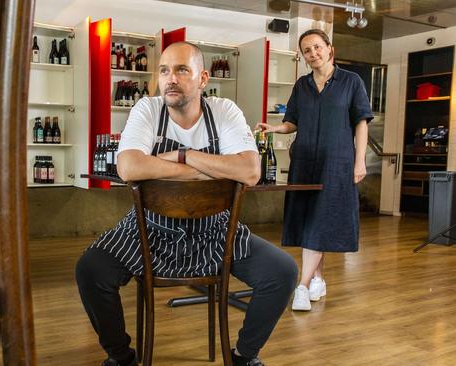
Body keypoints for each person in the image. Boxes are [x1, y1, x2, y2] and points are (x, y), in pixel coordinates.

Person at [76, 42, 298, 366]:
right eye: (164, 70)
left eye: (182, 70)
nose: (171, 79)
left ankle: (244, 356)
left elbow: (250, 171)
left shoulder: (224, 111)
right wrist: (210, 168)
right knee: (90, 270)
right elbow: (128, 167)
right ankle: (121, 356)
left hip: (216, 232)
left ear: (203, 78)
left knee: (283, 272)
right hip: (148, 230)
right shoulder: (147, 110)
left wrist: (182, 155)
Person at [257, 29, 373, 311]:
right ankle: (318, 279)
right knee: (309, 222)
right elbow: (292, 122)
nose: (313, 54)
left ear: (329, 48)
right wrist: (276, 128)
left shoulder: (351, 82)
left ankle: (303, 285)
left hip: (337, 163)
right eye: (307, 50)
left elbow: (361, 123)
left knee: (321, 221)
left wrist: (360, 161)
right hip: (305, 163)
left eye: (318, 47)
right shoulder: (302, 85)